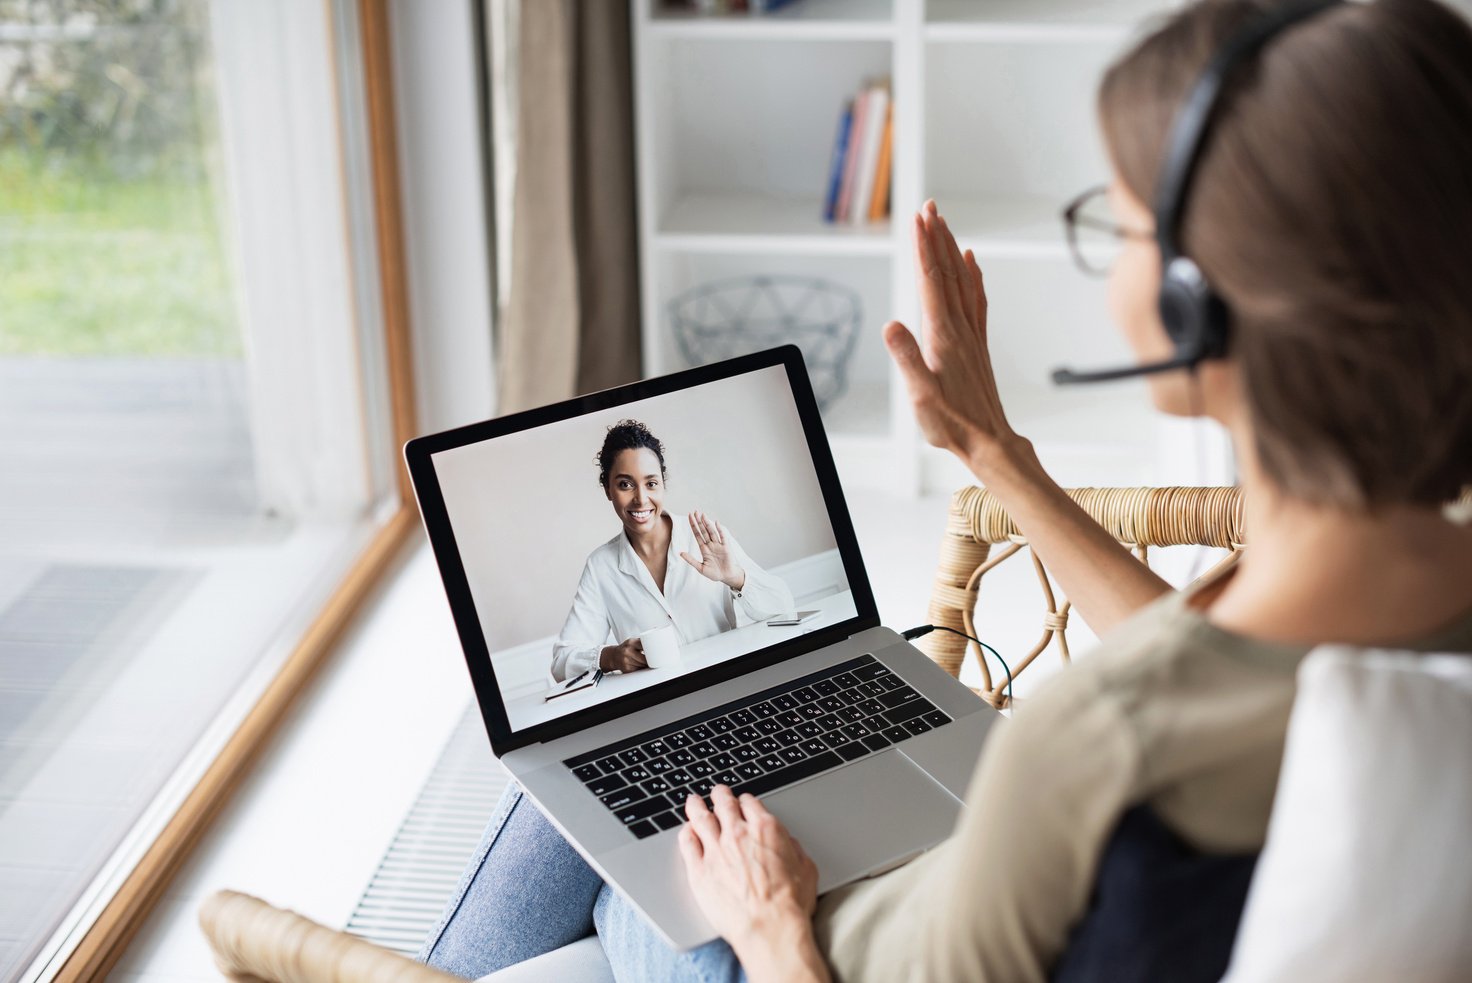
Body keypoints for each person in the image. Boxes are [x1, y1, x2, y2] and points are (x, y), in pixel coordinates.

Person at [419, 1, 1472, 980]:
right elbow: (1224, 687)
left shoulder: (1094, 742)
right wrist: (992, 449)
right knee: (598, 762)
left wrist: (772, 922)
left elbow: (1156, 711)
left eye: (1115, 227)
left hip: (801, 950)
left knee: (579, 812)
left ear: (1200, 303)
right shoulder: (1406, 608)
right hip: (911, 873)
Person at [549, 419, 795, 682]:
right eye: (625, 484)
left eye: (651, 483)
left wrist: (736, 577)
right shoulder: (601, 567)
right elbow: (561, 662)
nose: (641, 499)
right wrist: (610, 657)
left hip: (732, 682)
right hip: (662, 701)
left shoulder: (706, 538)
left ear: (662, 483)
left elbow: (784, 608)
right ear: (608, 489)